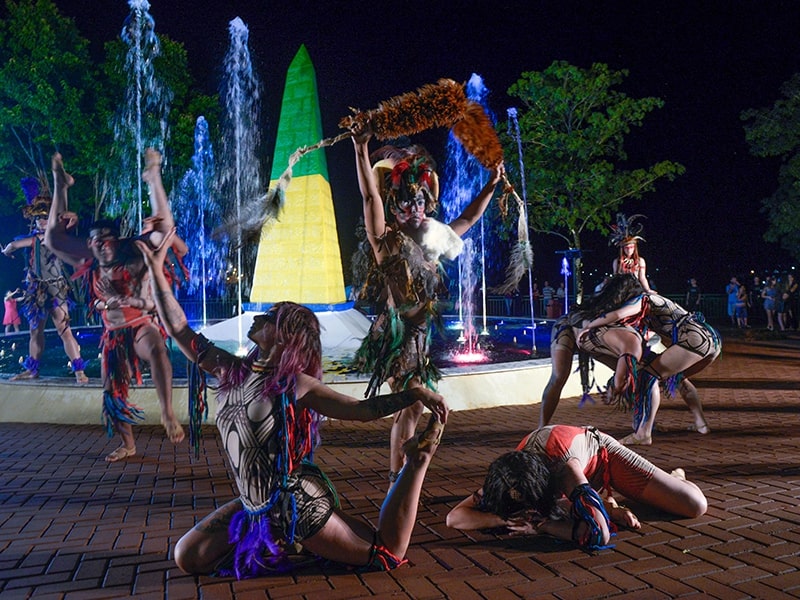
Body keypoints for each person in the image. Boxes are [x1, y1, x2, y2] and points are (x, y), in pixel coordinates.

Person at [135, 229, 448, 579]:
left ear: (285, 336)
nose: (259, 318)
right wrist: (154, 263)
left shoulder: (295, 385)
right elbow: (179, 329)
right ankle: (280, 540)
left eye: (270, 317)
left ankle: (417, 463)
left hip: (296, 505)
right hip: (255, 505)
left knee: (384, 552)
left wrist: (415, 395)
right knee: (187, 557)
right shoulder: (233, 370)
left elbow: (362, 410)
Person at [350, 125, 503, 484]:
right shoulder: (385, 241)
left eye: (420, 200)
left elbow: (466, 219)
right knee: (410, 404)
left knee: (412, 408)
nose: (415, 207)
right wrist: (361, 149)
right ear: (396, 206)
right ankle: (395, 477)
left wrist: (491, 184)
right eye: (406, 201)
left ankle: (399, 474)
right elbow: (370, 198)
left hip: (421, 337)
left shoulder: (433, 239)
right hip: (394, 335)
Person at [45, 151, 185, 461]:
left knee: (158, 349)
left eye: (106, 240)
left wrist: (154, 175)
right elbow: (53, 240)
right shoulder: (89, 260)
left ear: (117, 240)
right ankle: (128, 444)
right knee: (111, 392)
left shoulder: (135, 255)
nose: (100, 245)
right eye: (95, 241)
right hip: (113, 333)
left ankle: (167, 413)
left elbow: (166, 230)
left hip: (140, 325)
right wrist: (60, 185)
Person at [446, 425, 707, 552]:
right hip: (559, 475)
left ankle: (677, 477)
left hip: (602, 457)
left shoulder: (564, 471)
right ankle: (608, 505)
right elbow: (453, 518)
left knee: (693, 504)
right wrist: (500, 518)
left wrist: (540, 526)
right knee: (567, 509)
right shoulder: (508, 476)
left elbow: (599, 535)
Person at [1, 179, 88, 382]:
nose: (41, 221)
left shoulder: (54, 236)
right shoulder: (33, 238)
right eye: (38, 218)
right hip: (35, 290)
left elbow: (15, 245)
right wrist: (7, 250)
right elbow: (14, 245)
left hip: (56, 289)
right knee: (35, 332)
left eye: (45, 217)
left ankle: (79, 372)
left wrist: (8, 249)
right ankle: (32, 370)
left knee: (64, 330)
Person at [609, 213, 651, 293]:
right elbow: (615, 278)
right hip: (620, 290)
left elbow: (642, 277)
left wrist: (648, 290)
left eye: (631, 247)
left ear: (635, 248)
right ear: (623, 248)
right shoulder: (617, 262)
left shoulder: (640, 261)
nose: (629, 250)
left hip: (636, 288)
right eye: (626, 248)